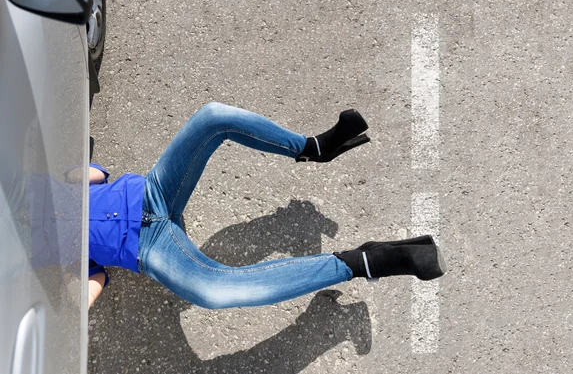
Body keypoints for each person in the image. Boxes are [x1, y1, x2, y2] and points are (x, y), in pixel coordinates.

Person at [83, 102, 446, 308]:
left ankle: (313, 148)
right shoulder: (43, 257)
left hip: (151, 192)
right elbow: (94, 279)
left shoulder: (36, 187)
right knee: (213, 292)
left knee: (212, 118)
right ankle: (361, 261)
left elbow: (95, 176)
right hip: (149, 249)